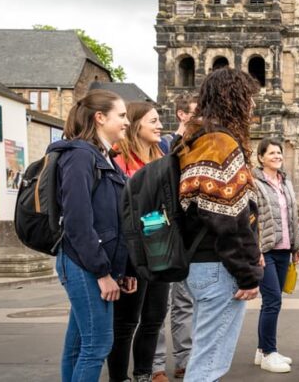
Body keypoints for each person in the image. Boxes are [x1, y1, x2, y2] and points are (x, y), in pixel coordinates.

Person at [177, 68, 263, 382]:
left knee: (204, 354)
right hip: (218, 266)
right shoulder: (219, 143)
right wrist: (248, 273)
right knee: (208, 363)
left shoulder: (195, 138)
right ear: (234, 99)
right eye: (249, 98)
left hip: (201, 263)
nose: (252, 105)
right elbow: (229, 217)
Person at [50, 90, 135, 381]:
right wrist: (102, 272)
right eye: (121, 115)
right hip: (82, 263)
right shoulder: (80, 155)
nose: (126, 122)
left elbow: (110, 219)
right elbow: (78, 221)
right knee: (98, 345)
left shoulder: (101, 156)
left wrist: (121, 270)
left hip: (90, 263)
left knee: (78, 346)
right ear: (100, 117)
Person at [107, 102, 170, 382]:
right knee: (126, 322)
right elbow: (119, 212)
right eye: (153, 121)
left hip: (159, 248)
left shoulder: (160, 159)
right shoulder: (119, 160)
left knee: (154, 318)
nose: (159, 126)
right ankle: (119, 378)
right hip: (133, 251)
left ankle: (143, 373)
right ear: (136, 125)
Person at [152, 94, 197, 382]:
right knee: (158, 304)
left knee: (184, 302)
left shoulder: (196, 146)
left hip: (183, 234)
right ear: (182, 115)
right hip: (158, 231)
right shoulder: (164, 145)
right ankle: (155, 364)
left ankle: (184, 360)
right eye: (195, 113)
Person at [253, 137, 299, 373]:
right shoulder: (254, 183)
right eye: (271, 153)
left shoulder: (286, 182)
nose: (277, 156)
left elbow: (292, 216)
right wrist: (255, 250)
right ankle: (268, 352)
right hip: (265, 250)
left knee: (271, 301)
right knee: (273, 300)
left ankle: (262, 348)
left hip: (284, 249)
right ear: (261, 157)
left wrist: (296, 246)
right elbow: (250, 219)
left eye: (279, 152)